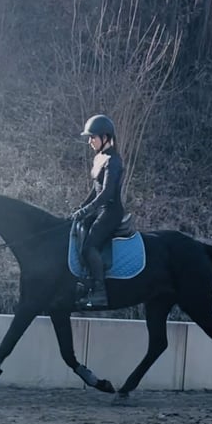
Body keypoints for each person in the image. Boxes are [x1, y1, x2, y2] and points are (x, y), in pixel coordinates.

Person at [70, 114, 124, 308]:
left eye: (92, 137)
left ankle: (100, 292)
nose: (89, 141)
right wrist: (81, 207)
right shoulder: (100, 158)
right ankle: (84, 283)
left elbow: (108, 192)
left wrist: (88, 210)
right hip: (99, 209)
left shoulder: (113, 161)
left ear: (105, 137)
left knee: (89, 247)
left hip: (111, 211)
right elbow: (95, 190)